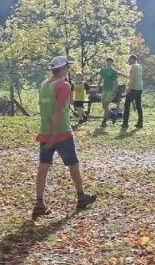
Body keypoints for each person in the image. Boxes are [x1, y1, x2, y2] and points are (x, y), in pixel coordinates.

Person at [32, 56, 96, 219]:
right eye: (68, 67)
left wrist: (49, 135)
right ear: (63, 68)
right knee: (73, 164)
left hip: (44, 132)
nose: (69, 70)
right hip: (61, 133)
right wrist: (54, 136)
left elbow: (46, 108)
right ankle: (81, 197)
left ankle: (39, 203)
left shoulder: (44, 85)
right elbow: (58, 111)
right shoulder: (64, 85)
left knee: (43, 166)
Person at [122, 54, 143, 129]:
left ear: (133, 59)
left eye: (129, 59)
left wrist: (129, 88)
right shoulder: (139, 66)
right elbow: (135, 77)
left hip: (133, 89)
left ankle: (125, 123)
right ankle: (140, 122)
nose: (128, 61)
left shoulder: (133, 66)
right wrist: (122, 75)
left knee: (127, 105)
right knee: (138, 106)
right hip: (139, 88)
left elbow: (133, 78)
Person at [99, 57, 118, 127]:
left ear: (112, 63)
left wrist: (115, 91)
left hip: (110, 90)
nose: (109, 62)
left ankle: (104, 121)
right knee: (104, 106)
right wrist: (97, 87)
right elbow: (100, 79)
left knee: (106, 105)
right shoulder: (103, 70)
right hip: (104, 89)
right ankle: (113, 115)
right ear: (106, 62)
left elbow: (116, 82)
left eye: (110, 61)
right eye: (107, 61)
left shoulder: (114, 71)